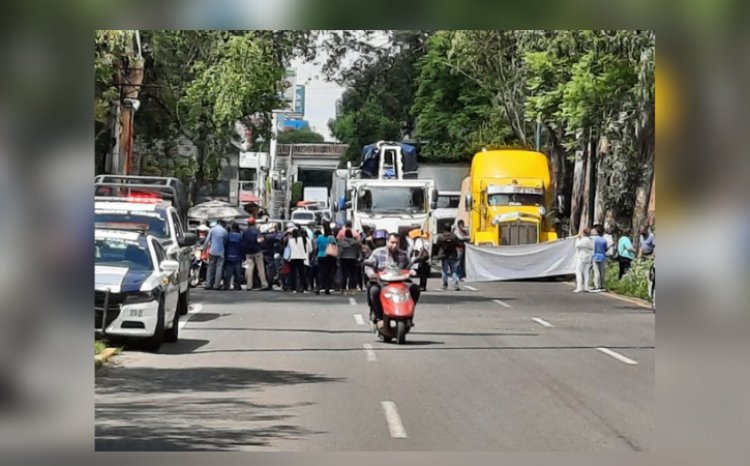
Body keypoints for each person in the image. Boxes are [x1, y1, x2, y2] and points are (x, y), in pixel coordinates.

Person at [365, 233, 421, 324]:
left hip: (400, 282)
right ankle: (379, 317)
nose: (394, 245)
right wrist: (371, 274)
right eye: (392, 242)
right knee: (374, 291)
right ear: (387, 242)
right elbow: (368, 265)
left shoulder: (404, 254)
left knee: (415, 289)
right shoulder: (377, 252)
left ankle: (408, 316)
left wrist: (412, 271)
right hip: (382, 282)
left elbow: (409, 266)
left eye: (397, 243)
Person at [241, 217, 269, 291]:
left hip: (248, 253)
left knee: (249, 269)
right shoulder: (257, 231)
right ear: (254, 223)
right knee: (261, 268)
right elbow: (260, 240)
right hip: (257, 251)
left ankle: (249, 285)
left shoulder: (245, 232)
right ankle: (264, 284)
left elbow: (242, 242)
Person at [203, 220, 227, 290]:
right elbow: (225, 242)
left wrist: (204, 250)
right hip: (221, 252)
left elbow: (207, 240)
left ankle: (208, 284)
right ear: (222, 224)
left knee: (210, 268)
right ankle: (216, 285)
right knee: (219, 269)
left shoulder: (212, 230)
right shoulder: (224, 231)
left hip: (212, 251)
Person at [287, 227, 312, 293]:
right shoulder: (302, 239)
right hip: (301, 257)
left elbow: (288, 249)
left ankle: (293, 288)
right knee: (302, 273)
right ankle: (304, 287)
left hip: (292, 257)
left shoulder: (290, 240)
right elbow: (309, 249)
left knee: (293, 274)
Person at [436, 226, 460, 291]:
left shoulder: (441, 237)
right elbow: (458, 244)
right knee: (454, 271)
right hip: (453, 255)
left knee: (444, 271)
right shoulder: (454, 236)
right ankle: (455, 285)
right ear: (450, 229)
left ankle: (444, 285)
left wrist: (437, 255)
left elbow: (437, 245)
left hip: (444, 255)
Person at [315, 225, 337, 295]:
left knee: (321, 272)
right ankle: (327, 288)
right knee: (328, 273)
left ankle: (318, 287)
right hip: (329, 256)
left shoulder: (319, 237)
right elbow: (334, 247)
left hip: (320, 256)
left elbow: (317, 247)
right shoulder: (331, 238)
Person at [339, 229, 361, 294]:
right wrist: (357, 257)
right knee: (353, 274)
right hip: (353, 258)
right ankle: (353, 288)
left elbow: (340, 251)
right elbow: (357, 251)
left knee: (344, 274)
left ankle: (343, 289)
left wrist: (338, 258)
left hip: (343, 259)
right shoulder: (355, 242)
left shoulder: (341, 242)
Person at [223, 223, 243, 290]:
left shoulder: (227, 236)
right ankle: (238, 285)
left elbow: (225, 245)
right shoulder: (240, 236)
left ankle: (226, 285)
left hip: (229, 255)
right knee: (238, 272)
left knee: (228, 272)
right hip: (238, 255)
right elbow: (242, 246)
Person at [574, 227, 594, 292]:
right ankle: (586, 287)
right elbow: (592, 247)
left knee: (578, 271)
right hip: (588, 257)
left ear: (584, 233)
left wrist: (577, 239)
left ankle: (579, 287)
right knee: (586, 272)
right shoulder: (590, 240)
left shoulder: (584, 240)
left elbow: (577, 246)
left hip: (582, 257)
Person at [591, 225, 608, 292]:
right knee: (602, 272)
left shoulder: (594, 239)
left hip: (595, 256)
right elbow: (605, 249)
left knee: (596, 272)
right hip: (602, 256)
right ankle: (602, 285)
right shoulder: (604, 240)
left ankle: (596, 285)